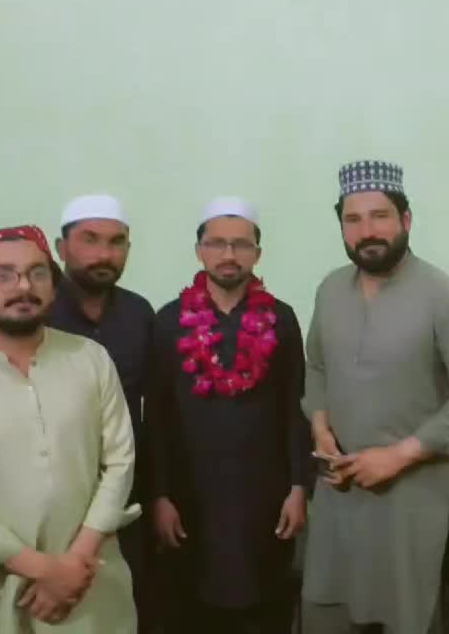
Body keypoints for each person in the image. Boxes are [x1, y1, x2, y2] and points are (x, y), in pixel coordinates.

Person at [301, 162, 449, 634]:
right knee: (330, 607)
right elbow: (317, 366)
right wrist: (319, 421)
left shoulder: (446, 298)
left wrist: (399, 455)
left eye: (380, 216)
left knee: (408, 612)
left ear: (405, 220)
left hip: (414, 499)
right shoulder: (330, 290)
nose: (367, 231)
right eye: (353, 219)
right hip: (340, 492)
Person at [0, 225, 140, 633]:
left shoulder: (90, 358)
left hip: (91, 582)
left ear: (53, 288)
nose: (23, 286)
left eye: (37, 273)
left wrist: (74, 563)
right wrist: (45, 571)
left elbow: (120, 462)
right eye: (3, 275)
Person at [145, 196, 310, 633]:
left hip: (264, 496)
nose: (229, 254)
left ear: (258, 253)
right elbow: (156, 417)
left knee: (265, 605)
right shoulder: (168, 322)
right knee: (192, 609)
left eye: (241, 244)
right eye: (217, 243)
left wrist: (299, 487)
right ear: (199, 251)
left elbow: (296, 407)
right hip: (191, 497)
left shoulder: (281, 319)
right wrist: (159, 495)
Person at [48, 193, 158, 631]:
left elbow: (157, 408)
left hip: (129, 494)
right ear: (61, 247)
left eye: (116, 242)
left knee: (131, 606)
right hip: (57, 495)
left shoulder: (138, 313)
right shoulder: (37, 312)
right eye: (89, 239)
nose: (103, 254)